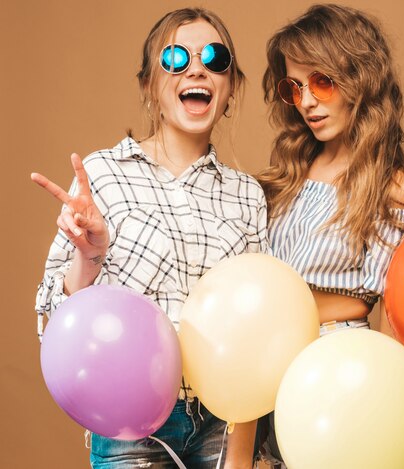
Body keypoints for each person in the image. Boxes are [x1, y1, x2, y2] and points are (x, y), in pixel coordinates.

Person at [32, 7, 265, 469]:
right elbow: (53, 323)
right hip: (128, 426)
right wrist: (90, 257)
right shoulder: (102, 175)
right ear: (148, 85)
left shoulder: (248, 197)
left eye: (214, 58)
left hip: (223, 425)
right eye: (176, 57)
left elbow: (256, 329)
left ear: (230, 88)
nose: (196, 68)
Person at [254, 4, 404, 467]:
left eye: (321, 81)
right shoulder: (291, 173)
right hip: (267, 375)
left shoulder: (396, 187)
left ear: (361, 78)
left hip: (338, 380)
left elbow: (388, 309)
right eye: (294, 88)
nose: (307, 101)